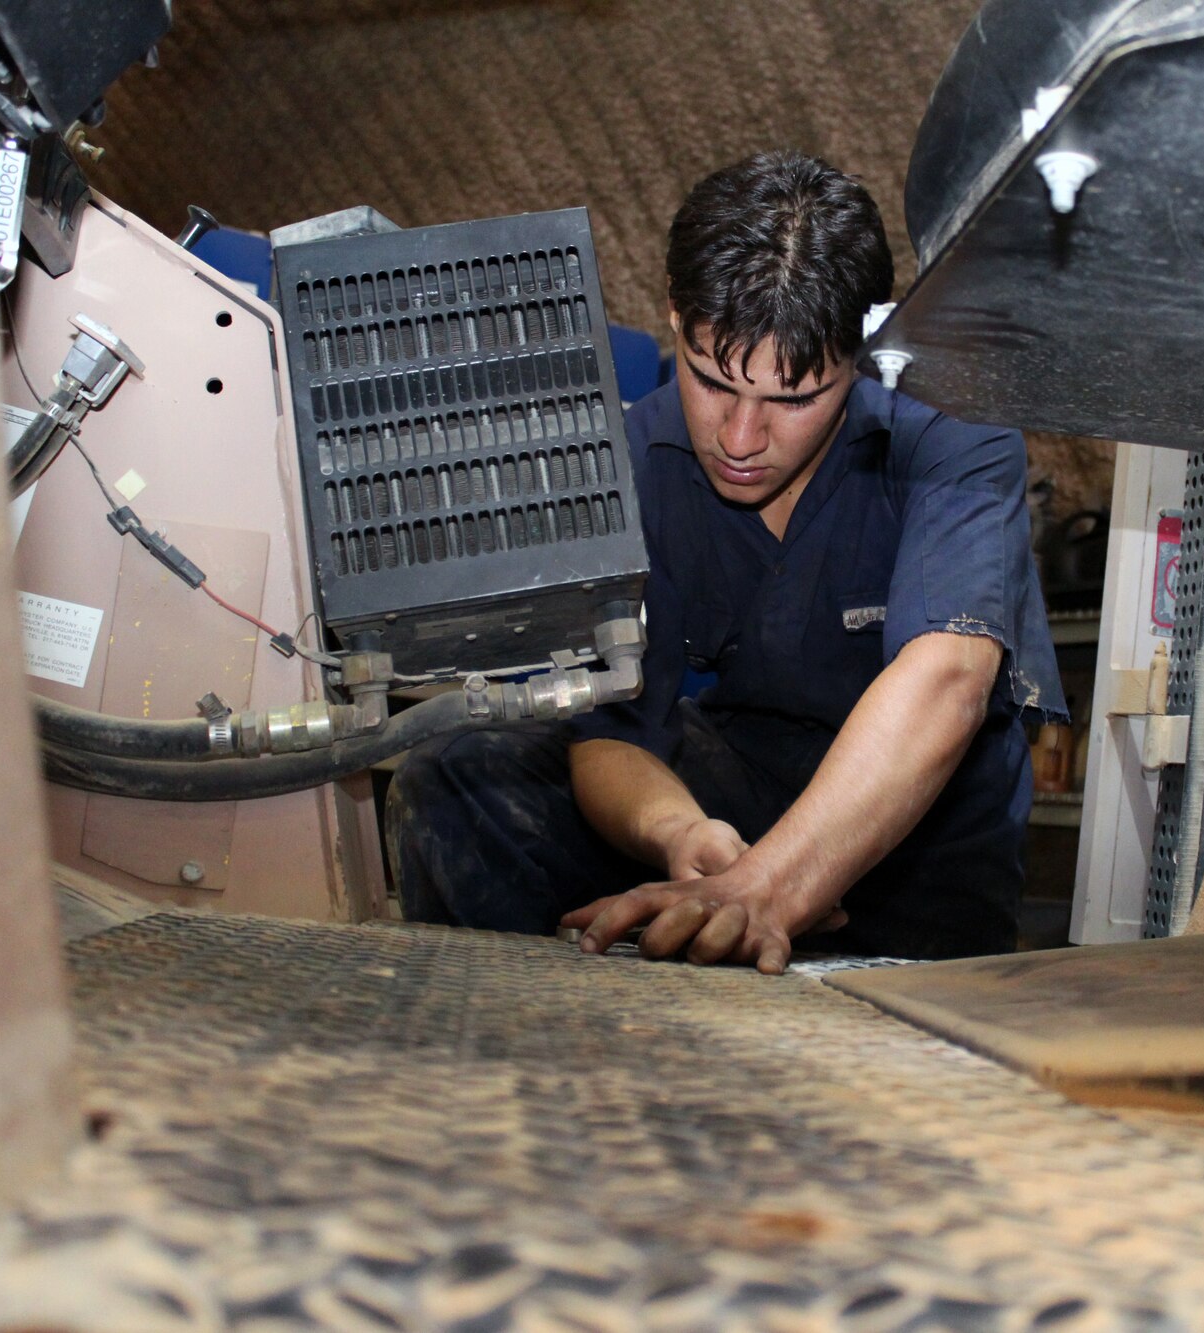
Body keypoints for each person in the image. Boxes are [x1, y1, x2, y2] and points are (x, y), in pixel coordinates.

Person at [385, 150, 1066, 972]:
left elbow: (949, 679)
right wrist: (682, 833)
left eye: (794, 399)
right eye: (712, 382)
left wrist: (764, 890)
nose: (740, 442)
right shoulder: (643, 454)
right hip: (747, 797)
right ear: (673, 313)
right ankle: (542, 1065)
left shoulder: (954, 421)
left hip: (923, 839)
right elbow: (610, 732)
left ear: (862, 351)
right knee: (460, 777)